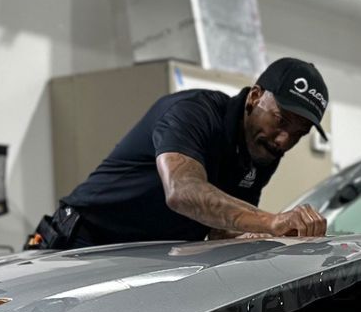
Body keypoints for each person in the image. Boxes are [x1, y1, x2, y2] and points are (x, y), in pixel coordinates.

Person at [28, 57, 331, 249]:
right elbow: (183, 191)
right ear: (254, 97)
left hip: (141, 260)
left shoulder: (264, 149)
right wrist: (271, 221)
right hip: (79, 244)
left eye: (299, 133)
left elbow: (219, 229)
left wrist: (273, 237)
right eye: (281, 121)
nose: (284, 139)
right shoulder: (193, 112)